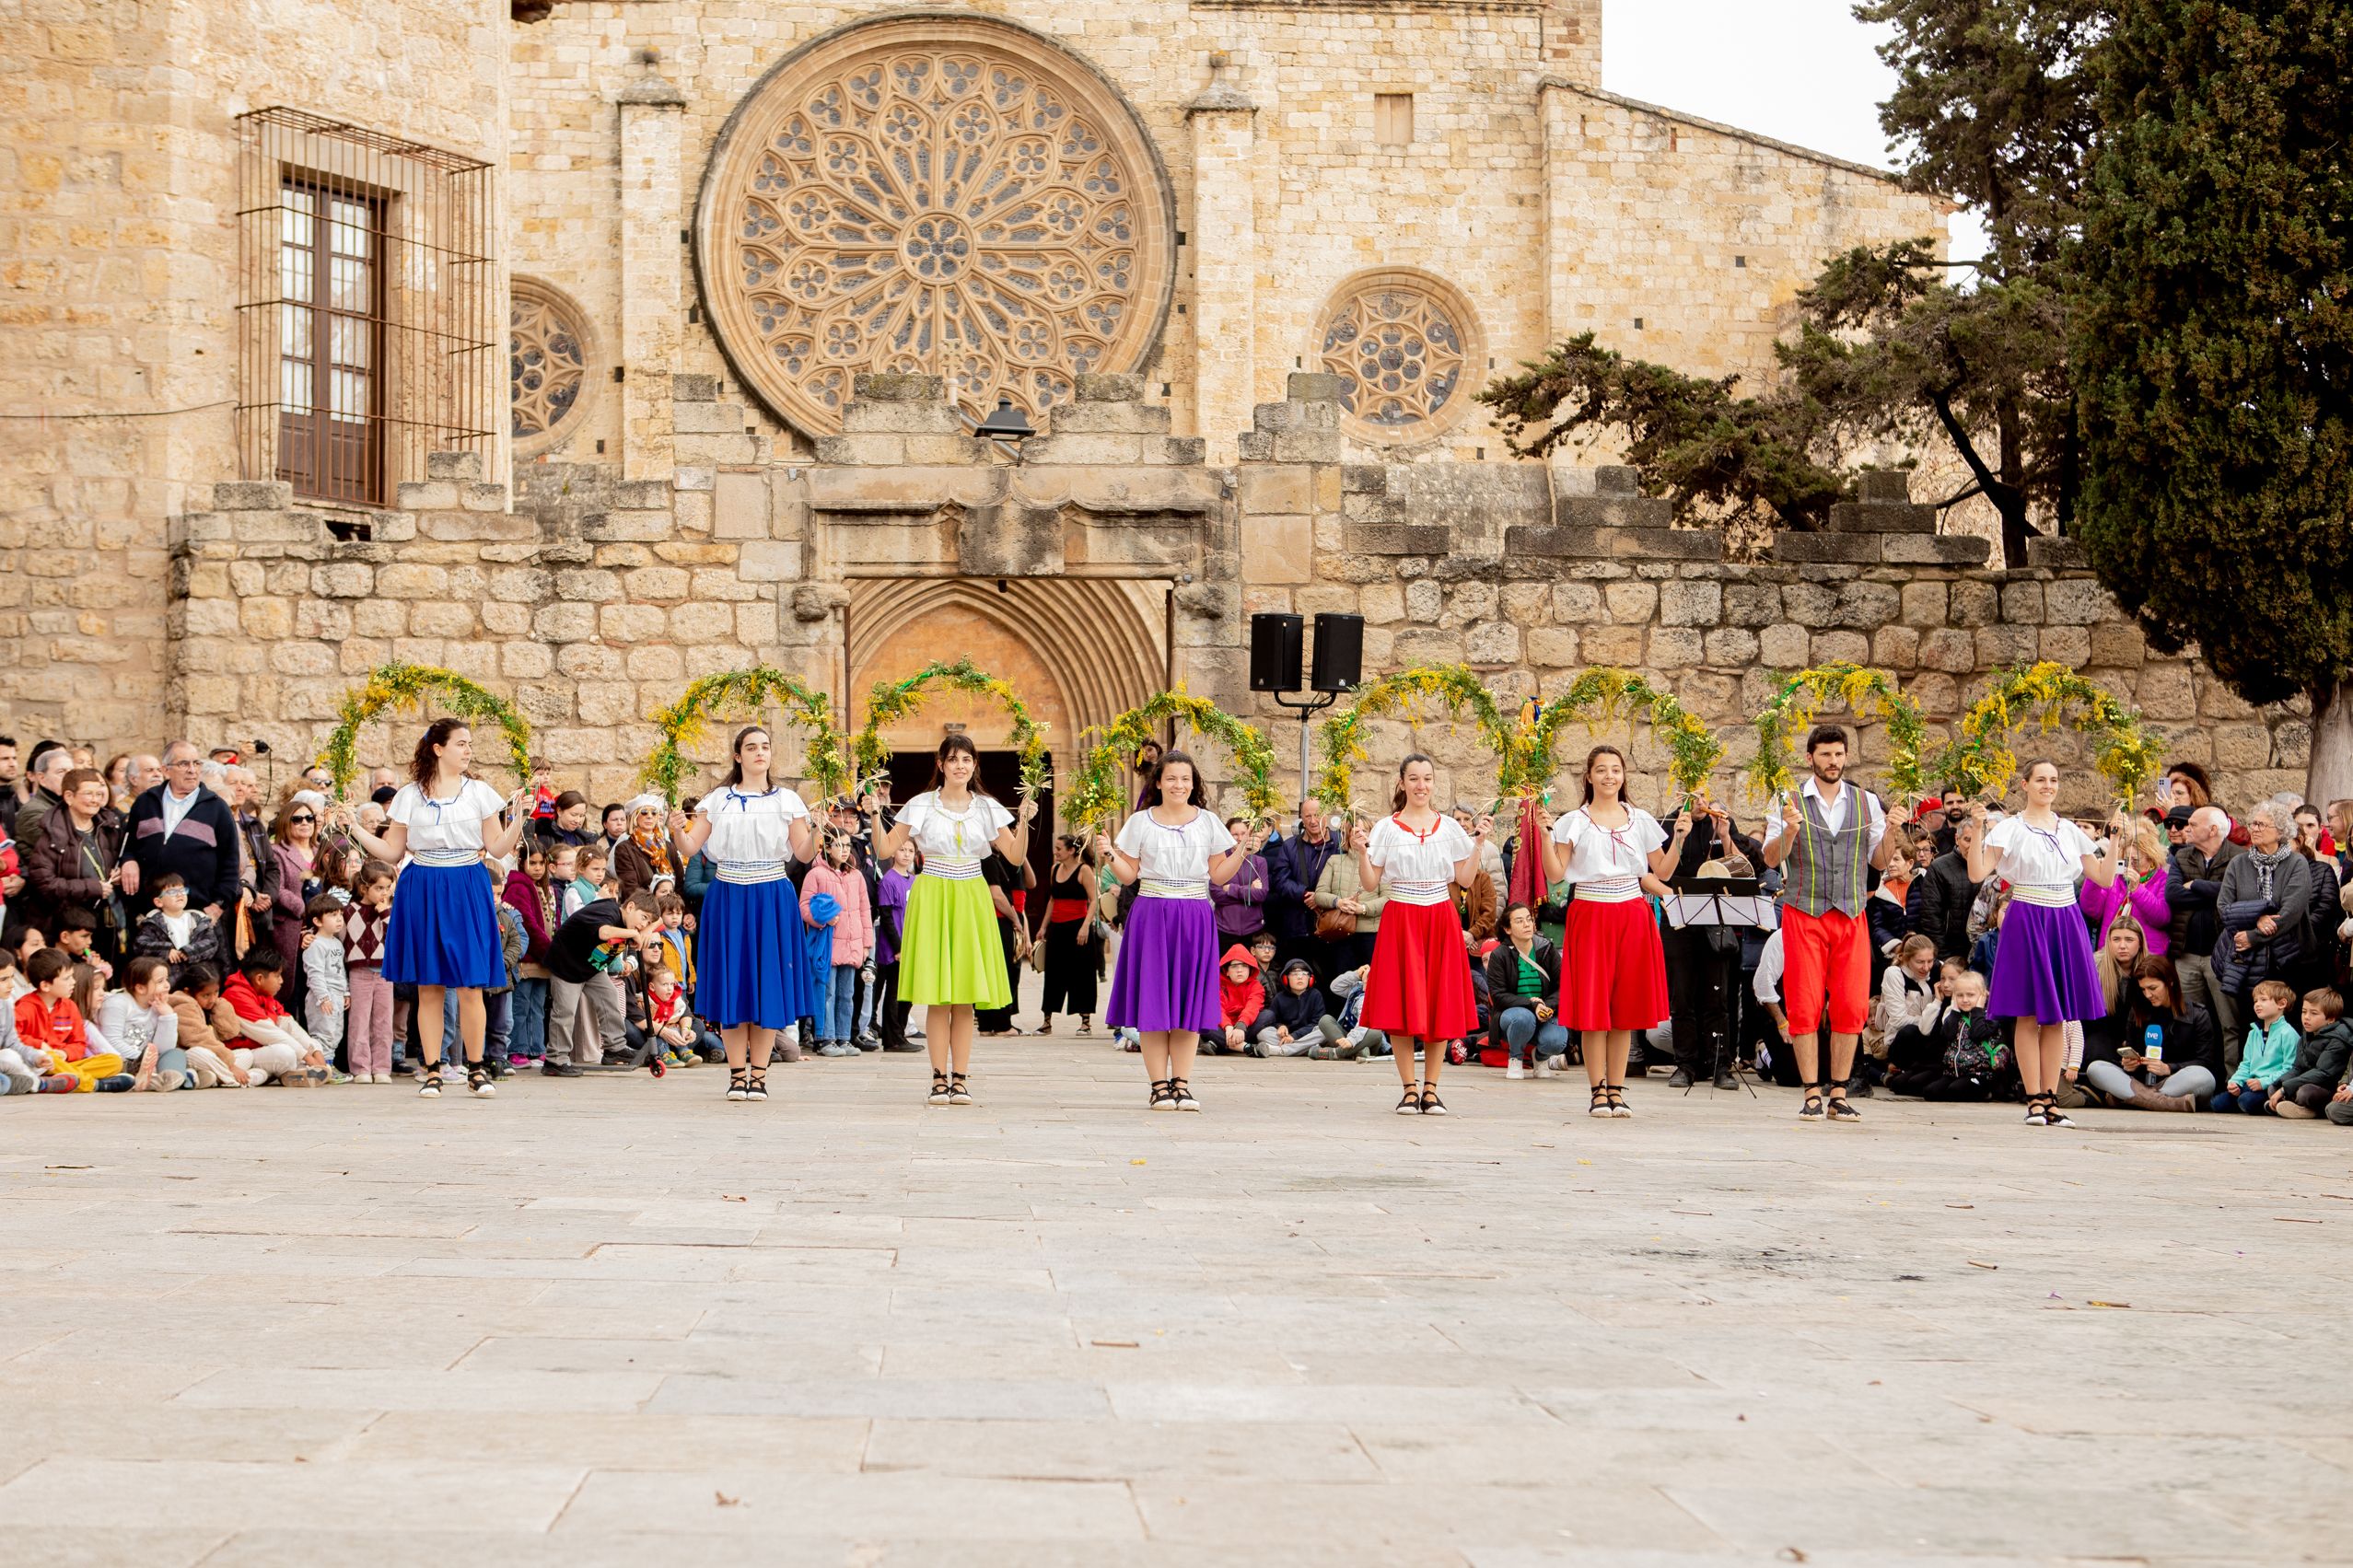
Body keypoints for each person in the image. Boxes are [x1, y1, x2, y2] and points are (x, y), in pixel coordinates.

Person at [336, 719, 532, 1098]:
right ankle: (432, 1070)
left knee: (470, 983)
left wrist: (519, 815)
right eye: (461, 743)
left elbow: (497, 848)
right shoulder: (410, 795)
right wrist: (353, 829)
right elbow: (393, 851)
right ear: (438, 749)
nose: (469, 749)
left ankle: (476, 1069)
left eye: (470, 743)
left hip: (466, 882)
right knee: (429, 984)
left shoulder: (479, 792)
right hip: (422, 882)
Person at [865, 734, 1039, 1107]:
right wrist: (875, 816)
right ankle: (938, 1078)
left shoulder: (988, 807)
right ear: (941, 764)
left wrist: (1023, 822)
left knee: (964, 999)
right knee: (938, 999)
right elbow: (884, 849)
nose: (961, 765)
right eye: (953, 759)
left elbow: (1012, 854)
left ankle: (960, 1078)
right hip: (933, 895)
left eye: (967, 759)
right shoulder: (920, 805)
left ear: (975, 765)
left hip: (971, 895)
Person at [1758, 726, 1911, 1121]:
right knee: (1805, 1003)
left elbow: (1879, 862)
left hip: (1851, 911)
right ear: (1811, 758)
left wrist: (1892, 829)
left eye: (1839, 755)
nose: (1833, 762)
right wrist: (1789, 831)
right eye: (1825, 755)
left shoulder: (1866, 802)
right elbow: (1772, 859)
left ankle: (1839, 1092)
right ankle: (1811, 1091)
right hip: (1804, 911)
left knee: (1850, 1005)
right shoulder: (1787, 799)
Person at [664, 726, 820, 1101]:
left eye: (765, 746)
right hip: (728, 893)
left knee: (766, 984)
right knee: (733, 983)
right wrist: (675, 831)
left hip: (771, 894)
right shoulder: (718, 799)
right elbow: (691, 845)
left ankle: (760, 1076)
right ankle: (737, 1075)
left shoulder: (788, 799)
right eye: (751, 747)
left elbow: (802, 854)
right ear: (738, 756)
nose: (759, 753)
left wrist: (817, 830)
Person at [1963, 761, 2117, 1127]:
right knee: (2029, 1012)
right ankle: (2033, 1097)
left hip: (2064, 918)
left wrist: (2118, 841)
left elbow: (2104, 877)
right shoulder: (2011, 828)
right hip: (2028, 915)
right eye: (2041, 780)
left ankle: (2051, 1098)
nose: (2048, 786)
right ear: (2025, 785)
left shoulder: (2068, 830)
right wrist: (1979, 826)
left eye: (2053, 781)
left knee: (2058, 1015)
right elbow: (1977, 872)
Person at [1104, 749, 1247, 1110]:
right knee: (1155, 1002)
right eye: (1171, 778)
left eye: (1185, 779)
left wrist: (1241, 852)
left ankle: (1182, 1084)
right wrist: (1109, 853)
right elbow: (1130, 874)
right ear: (1158, 782)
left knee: (1187, 1004)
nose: (1178, 785)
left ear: (1193, 783)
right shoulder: (1140, 821)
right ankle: (1158, 1086)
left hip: (1195, 914)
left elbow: (1218, 875)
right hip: (1152, 912)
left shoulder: (1208, 822)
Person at [1543, 745, 1681, 1119]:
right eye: (1600, 770)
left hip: (1632, 912)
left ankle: (1617, 1090)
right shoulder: (1574, 820)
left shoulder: (1641, 819)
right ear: (1588, 776)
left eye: (1615, 769)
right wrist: (1544, 835)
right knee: (1594, 1009)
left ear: (1624, 775)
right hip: (1590, 912)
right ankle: (1596, 1091)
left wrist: (1680, 837)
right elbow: (1556, 875)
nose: (1609, 776)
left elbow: (1661, 873)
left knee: (1624, 1010)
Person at [1360, 753, 1480, 1117]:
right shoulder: (1386, 827)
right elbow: (1369, 882)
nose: (1421, 786)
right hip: (1402, 915)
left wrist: (1478, 843)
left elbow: (1465, 879)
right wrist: (1361, 851)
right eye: (1414, 779)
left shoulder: (1449, 827)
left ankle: (1432, 1088)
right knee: (1402, 1000)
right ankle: (1408, 1089)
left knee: (1438, 999)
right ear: (1402, 782)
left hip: (1440, 915)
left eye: (1427, 779)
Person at [2212, 800, 2314, 1063]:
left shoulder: (2297, 863)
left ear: (2280, 831)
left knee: (2287, 1024)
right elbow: (2224, 906)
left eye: (2261, 824)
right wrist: (2256, 919)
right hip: (2248, 962)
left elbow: (2290, 912)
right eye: (2252, 823)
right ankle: (2251, 1082)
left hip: (2288, 958)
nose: (2254, 829)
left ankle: (2280, 1087)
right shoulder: (2238, 864)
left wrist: (2253, 936)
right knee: (2253, 1024)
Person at [544, 889, 667, 1074]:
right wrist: (633, 934)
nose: (643, 925)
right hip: (566, 965)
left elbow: (659, 920)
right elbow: (604, 932)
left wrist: (647, 930)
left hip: (591, 966)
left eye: (647, 922)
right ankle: (555, 1060)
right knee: (565, 1011)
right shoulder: (608, 910)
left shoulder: (636, 924)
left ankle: (614, 1049)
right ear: (630, 907)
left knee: (609, 998)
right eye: (643, 918)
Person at [123, 741, 244, 923]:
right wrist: (128, 860)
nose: (192, 770)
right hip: (148, 914)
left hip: (197, 914)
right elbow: (128, 845)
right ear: (166, 770)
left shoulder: (217, 808)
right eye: (184, 764)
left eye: (196, 763)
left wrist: (218, 905)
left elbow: (230, 862)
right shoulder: (145, 802)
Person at [23, 767, 125, 958]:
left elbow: (117, 859)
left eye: (98, 793)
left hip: (105, 919)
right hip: (66, 925)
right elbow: (44, 883)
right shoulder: (54, 833)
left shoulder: (108, 826)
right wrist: (92, 887)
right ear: (69, 797)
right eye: (88, 794)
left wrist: (118, 873)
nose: (95, 799)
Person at [2166, 804, 2243, 1045]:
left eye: (2192, 824)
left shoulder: (2239, 858)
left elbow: (2236, 896)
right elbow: (2173, 894)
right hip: (2186, 954)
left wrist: (2196, 885)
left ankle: (2231, 1080)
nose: (2186, 829)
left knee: (2229, 1023)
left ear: (2212, 830)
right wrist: (2215, 893)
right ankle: (2194, 1075)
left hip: (2222, 954)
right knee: (2189, 1020)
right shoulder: (2182, 855)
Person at [14, 947, 128, 1091]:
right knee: (48, 1056)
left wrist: (66, 1053)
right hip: (37, 1063)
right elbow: (13, 1038)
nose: (73, 982)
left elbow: (79, 1043)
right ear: (45, 985)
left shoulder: (69, 1006)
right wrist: (40, 1045)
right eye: (67, 978)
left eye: (72, 976)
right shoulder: (25, 1006)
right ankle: (92, 1084)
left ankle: (57, 1081)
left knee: (114, 1061)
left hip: (65, 1063)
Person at [801, 826, 872, 1057]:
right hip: (827, 943)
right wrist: (822, 920)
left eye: (848, 845)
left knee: (846, 993)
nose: (844, 850)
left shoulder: (856, 875)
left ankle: (844, 1037)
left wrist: (865, 944)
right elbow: (804, 906)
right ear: (827, 847)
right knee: (826, 992)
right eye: (839, 845)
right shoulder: (816, 874)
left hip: (851, 944)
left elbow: (864, 911)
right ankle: (824, 1038)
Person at [1485, 900, 1567, 1079]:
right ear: (1507, 929)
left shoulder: (1546, 949)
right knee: (1524, 1017)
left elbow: (1564, 987)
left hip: (1546, 1011)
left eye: (1529, 919)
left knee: (1557, 1040)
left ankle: (1540, 1057)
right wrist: (1532, 1004)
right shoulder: (1500, 955)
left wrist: (1548, 1005)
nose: (1526, 924)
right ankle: (1515, 1057)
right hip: (1513, 1015)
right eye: (1519, 921)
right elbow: (1498, 995)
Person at [1267, 797, 1342, 983]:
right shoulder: (1290, 846)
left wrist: (1322, 898)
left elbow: (1348, 878)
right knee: (1297, 978)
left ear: (1326, 815)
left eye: (1317, 815)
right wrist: (1304, 894)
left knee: (1331, 978)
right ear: (1301, 818)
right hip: (1297, 926)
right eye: (1307, 816)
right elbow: (1280, 880)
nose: (1313, 820)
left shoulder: (1341, 843)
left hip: (1332, 925)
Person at [2080, 814, 2172, 955]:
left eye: (2136, 860)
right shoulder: (2117, 876)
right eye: (2128, 859)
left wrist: (2137, 890)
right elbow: (2091, 909)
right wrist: (2095, 877)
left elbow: (2162, 918)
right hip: (2111, 951)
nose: (2131, 864)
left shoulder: (2162, 879)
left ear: (2151, 855)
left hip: (2146, 953)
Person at [1038, 833, 1101, 1035]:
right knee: (1053, 973)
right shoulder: (1054, 869)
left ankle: (1085, 1022)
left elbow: (1094, 900)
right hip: (1057, 928)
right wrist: (1043, 927)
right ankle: (1047, 1021)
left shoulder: (1084, 871)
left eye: (1059, 849)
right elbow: (1052, 900)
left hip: (1078, 928)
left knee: (1082, 973)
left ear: (1071, 850)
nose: (1055, 852)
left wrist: (1085, 926)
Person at [2213, 978, 2301, 1114]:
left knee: (2246, 1102)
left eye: (2263, 1000)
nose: (2257, 1004)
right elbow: (2246, 1064)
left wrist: (2264, 1082)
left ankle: (2275, 1104)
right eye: (2255, 1001)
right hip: (2251, 1084)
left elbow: (2289, 1068)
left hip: (2272, 1086)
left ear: (2282, 1003)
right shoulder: (2253, 1033)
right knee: (2217, 1104)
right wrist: (2235, 1081)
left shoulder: (2288, 1034)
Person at [130, 872, 224, 991]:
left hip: (198, 979)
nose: (180, 894)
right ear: (159, 902)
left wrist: (189, 952)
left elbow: (211, 943)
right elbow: (141, 945)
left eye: (183, 890)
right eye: (172, 892)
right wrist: (166, 950)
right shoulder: (153, 923)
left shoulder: (198, 919)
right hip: (170, 981)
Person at [1312, 818, 1383, 973]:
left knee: (1369, 982)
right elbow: (1319, 894)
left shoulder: (1379, 862)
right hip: (1339, 931)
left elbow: (1388, 898)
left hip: (1370, 935)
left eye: (1364, 831)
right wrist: (1338, 902)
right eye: (1354, 830)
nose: (1359, 834)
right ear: (1347, 835)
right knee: (1339, 981)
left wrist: (1363, 908)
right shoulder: (1335, 861)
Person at [2273, 989, 2351, 1119]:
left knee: (2305, 1093)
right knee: (2275, 1086)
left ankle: (2313, 1111)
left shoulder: (2338, 1040)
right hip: (2308, 1081)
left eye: (2314, 1013)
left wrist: (2285, 1089)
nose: (2306, 1017)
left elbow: (2323, 1073)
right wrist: (2279, 1084)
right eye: (2304, 1012)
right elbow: (2297, 1067)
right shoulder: (2306, 1034)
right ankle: (2285, 1106)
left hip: (2329, 1088)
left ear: (2331, 1019)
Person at [874, 839, 917, 1051]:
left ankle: (901, 1033)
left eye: (910, 850)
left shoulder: (915, 880)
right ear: (893, 853)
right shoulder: (888, 880)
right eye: (902, 849)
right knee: (893, 993)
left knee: (908, 993)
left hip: (912, 945)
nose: (906, 854)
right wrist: (898, 947)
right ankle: (892, 1039)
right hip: (894, 947)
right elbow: (887, 915)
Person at [300, 894, 348, 1074]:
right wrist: (323, 997)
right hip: (322, 997)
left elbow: (341, 970)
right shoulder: (315, 945)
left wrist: (346, 993)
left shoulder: (337, 943)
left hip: (336, 995)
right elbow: (315, 974)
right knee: (323, 1032)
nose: (339, 919)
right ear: (317, 921)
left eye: (340, 915)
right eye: (333, 915)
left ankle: (330, 1065)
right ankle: (322, 1066)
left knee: (336, 1033)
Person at [1253, 958, 1333, 1057]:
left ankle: (1281, 1051)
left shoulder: (1315, 995)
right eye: (1295, 974)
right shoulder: (1279, 997)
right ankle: (1304, 1049)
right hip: (1285, 1037)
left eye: (1304, 974)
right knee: (1262, 1033)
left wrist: (1294, 1036)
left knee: (1323, 1031)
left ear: (1310, 978)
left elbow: (1316, 1022)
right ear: (1286, 978)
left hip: (1306, 1035)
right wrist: (1280, 1026)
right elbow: (1272, 1021)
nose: (1300, 977)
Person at [1211, 815, 1269, 947]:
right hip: (1225, 929)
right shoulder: (1219, 861)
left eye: (1244, 833)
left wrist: (1231, 889)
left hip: (1253, 930)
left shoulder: (1259, 862)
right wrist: (1250, 889)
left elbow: (1262, 894)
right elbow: (1216, 894)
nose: (1240, 838)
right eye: (1234, 834)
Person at [614, 795, 677, 903]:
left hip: (672, 911)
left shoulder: (669, 846)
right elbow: (631, 889)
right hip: (643, 909)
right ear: (635, 816)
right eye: (644, 812)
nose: (649, 816)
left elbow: (680, 883)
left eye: (654, 813)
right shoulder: (624, 849)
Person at [1212, 943, 1267, 1058]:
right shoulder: (1217, 985)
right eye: (1235, 966)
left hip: (1245, 1027)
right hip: (1223, 1026)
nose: (1240, 970)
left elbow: (1252, 1006)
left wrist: (1241, 1026)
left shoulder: (1256, 986)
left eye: (1244, 966)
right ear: (1226, 970)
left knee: (1268, 1015)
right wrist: (1228, 1026)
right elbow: (1218, 1009)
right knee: (1202, 1023)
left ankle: (1218, 1044)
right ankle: (1246, 1047)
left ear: (1250, 969)